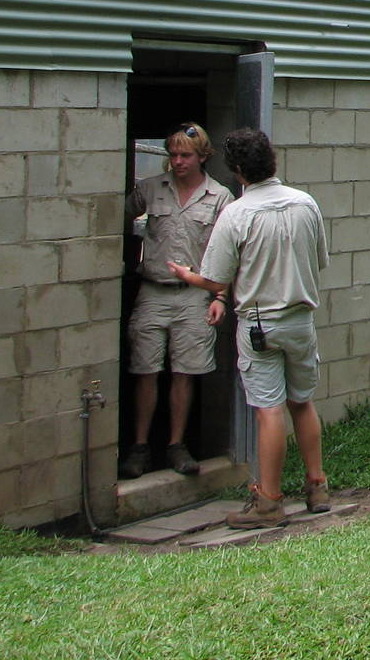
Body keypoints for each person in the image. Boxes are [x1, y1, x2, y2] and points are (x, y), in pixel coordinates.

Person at [170, 127, 330, 529]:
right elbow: (319, 259)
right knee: (303, 402)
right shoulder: (305, 204)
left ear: (239, 171)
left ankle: (269, 502)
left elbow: (214, 278)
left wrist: (187, 275)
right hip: (301, 320)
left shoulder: (237, 214)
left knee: (268, 410)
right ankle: (317, 486)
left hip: (261, 324)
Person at [122, 122, 233, 479]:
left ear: (203, 157)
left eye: (185, 155)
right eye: (173, 155)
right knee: (145, 369)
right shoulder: (150, 189)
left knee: (185, 372)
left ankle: (176, 444)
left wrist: (220, 296)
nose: (178, 161)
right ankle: (139, 447)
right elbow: (116, 220)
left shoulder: (219, 198)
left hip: (194, 295)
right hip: (153, 290)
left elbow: (228, 253)